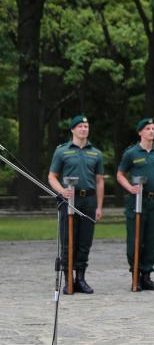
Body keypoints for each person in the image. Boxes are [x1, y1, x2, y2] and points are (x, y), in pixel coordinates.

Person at [48, 115, 105, 294]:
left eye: (86, 126)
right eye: (80, 126)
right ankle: (68, 280)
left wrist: (99, 206)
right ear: (72, 129)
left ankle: (81, 278)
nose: (83, 129)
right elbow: (52, 176)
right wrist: (61, 191)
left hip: (88, 199)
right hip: (69, 199)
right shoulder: (62, 151)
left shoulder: (96, 153)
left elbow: (100, 181)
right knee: (68, 240)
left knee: (84, 241)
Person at [116, 117, 154, 291]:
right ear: (140, 132)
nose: (151, 131)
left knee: (152, 240)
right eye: (147, 129)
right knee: (136, 239)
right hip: (137, 201)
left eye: (153, 128)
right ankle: (135, 275)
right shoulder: (131, 153)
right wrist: (130, 187)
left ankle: (147, 276)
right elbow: (120, 174)